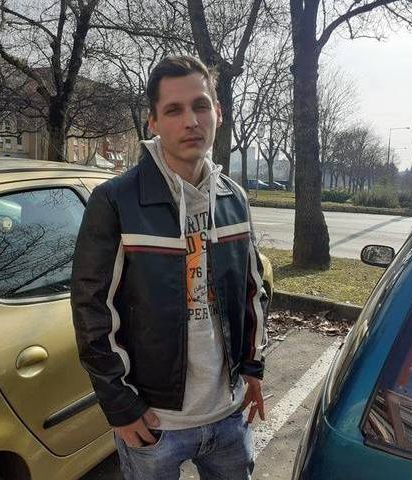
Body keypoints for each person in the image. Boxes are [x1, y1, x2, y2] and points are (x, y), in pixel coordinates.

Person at [71, 55, 267, 480]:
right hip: (156, 424)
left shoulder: (234, 198)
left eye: (200, 105)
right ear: (154, 122)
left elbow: (253, 290)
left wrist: (253, 367)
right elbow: (92, 312)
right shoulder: (115, 201)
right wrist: (121, 405)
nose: (190, 121)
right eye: (174, 110)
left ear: (218, 112)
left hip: (228, 414)